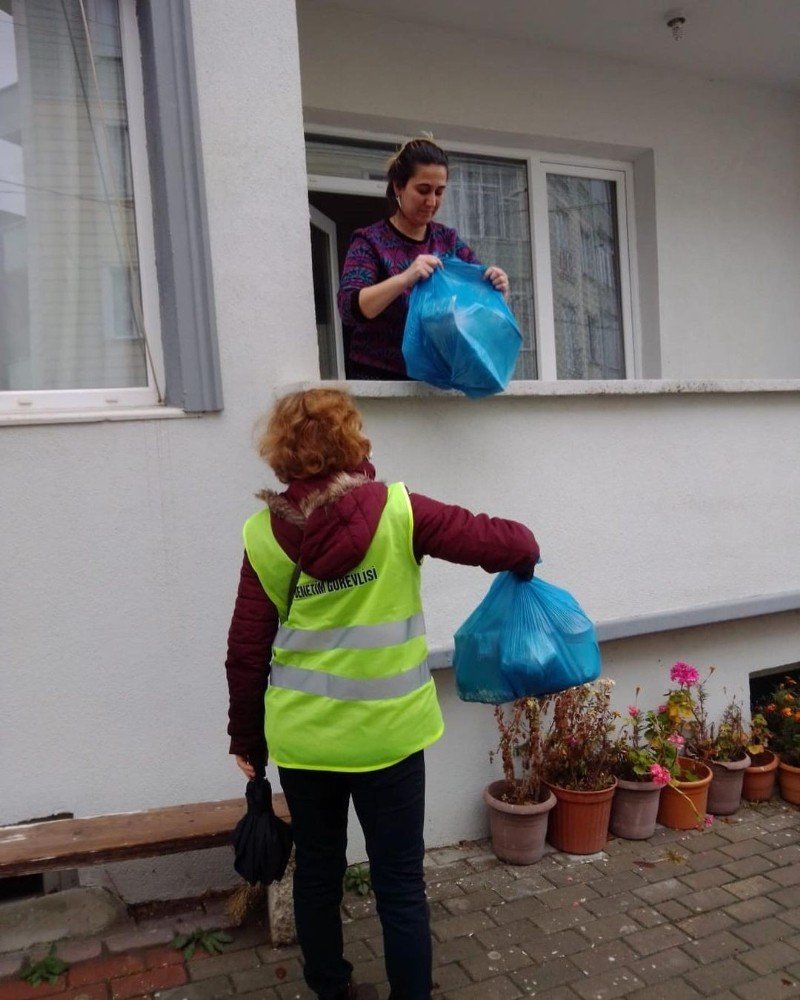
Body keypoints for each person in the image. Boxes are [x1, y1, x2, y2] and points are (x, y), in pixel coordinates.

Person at [225, 388, 538, 1000]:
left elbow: (246, 651)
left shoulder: (263, 536)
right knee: (399, 881)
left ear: (282, 454)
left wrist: (246, 739)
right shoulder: (400, 512)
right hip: (391, 738)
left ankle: (332, 991)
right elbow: (505, 541)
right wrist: (525, 559)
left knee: (318, 871)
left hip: (306, 743)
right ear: (350, 442)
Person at [337, 136, 510, 380]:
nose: (432, 201)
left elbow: (476, 307)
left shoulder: (447, 241)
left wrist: (497, 289)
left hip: (435, 382)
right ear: (398, 186)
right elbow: (349, 308)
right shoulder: (370, 241)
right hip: (380, 381)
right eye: (423, 190)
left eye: (439, 192)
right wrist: (405, 278)